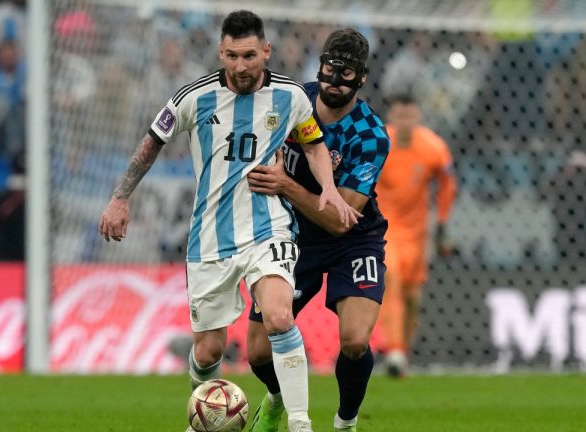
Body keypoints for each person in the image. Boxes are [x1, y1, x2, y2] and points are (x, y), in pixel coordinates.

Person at [99, 11, 359, 432]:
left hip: (268, 227)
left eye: (249, 56)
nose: (241, 66)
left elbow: (313, 144)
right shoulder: (193, 98)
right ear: (221, 52)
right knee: (208, 352)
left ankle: (300, 423)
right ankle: (204, 420)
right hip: (209, 238)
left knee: (279, 317)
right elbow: (152, 143)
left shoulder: (291, 96)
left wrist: (328, 186)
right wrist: (119, 198)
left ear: (266, 51)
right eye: (233, 56)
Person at [245, 29, 390, 432]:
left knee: (355, 341)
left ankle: (346, 421)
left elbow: (341, 220)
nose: (335, 81)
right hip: (293, 237)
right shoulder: (293, 101)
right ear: (320, 66)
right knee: (257, 352)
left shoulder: (370, 136)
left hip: (353, 240)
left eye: (347, 74)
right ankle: (277, 397)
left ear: (362, 78)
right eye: (330, 69)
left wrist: (285, 185)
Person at [376, 94, 457, 377]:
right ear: (391, 117)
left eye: (410, 116)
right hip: (383, 228)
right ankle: (393, 349)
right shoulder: (379, 142)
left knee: (412, 297)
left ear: (418, 116)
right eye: (400, 116)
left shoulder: (432, 147)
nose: (405, 122)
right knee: (390, 276)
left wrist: (442, 226)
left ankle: (402, 354)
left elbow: (447, 184)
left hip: (417, 233)